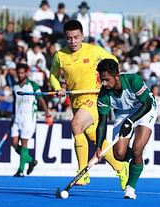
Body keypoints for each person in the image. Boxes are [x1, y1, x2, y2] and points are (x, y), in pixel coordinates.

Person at [49, 20, 128, 188]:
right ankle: (121, 168)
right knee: (95, 139)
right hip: (76, 101)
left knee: (76, 125)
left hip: (94, 98)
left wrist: (106, 81)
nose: (73, 42)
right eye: (69, 38)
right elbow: (53, 75)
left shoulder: (93, 51)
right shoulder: (59, 56)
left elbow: (113, 61)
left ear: (82, 36)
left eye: (76, 37)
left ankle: (82, 174)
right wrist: (58, 88)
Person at [95, 59, 158, 199]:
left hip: (144, 109)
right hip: (123, 113)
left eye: (106, 80)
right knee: (119, 154)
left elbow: (147, 104)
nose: (104, 84)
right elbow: (102, 122)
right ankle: (137, 158)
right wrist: (99, 147)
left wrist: (131, 120)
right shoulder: (103, 95)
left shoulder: (133, 80)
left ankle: (130, 188)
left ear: (116, 76)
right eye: (101, 80)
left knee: (137, 149)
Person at [11, 63, 53, 177]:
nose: (20, 75)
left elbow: (41, 100)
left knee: (24, 143)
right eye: (18, 73)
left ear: (26, 73)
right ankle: (30, 161)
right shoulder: (15, 87)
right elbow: (15, 102)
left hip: (28, 119)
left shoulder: (33, 86)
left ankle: (20, 170)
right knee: (14, 144)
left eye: (22, 73)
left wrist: (47, 113)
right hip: (17, 118)